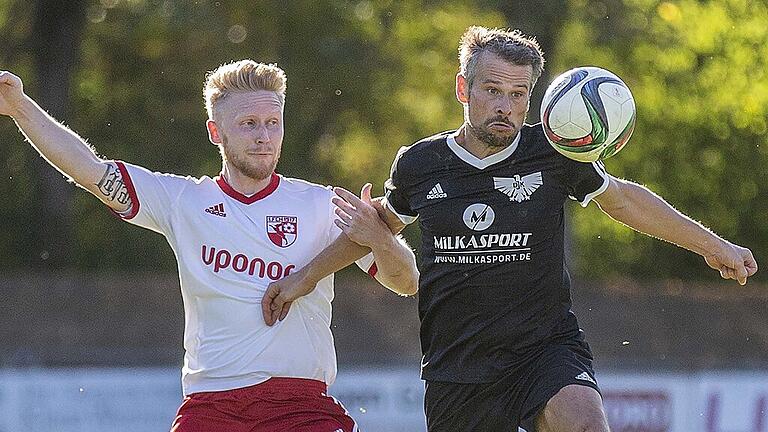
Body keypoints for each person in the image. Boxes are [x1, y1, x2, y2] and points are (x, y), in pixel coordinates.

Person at [261, 26, 758, 432]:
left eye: (518, 94)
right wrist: (301, 279)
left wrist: (714, 246)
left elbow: (624, 199)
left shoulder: (553, 151)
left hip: (543, 347)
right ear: (464, 89)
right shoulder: (421, 163)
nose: (506, 106)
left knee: (585, 423)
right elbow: (370, 231)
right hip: (459, 364)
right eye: (493, 91)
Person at [0, 60, 418, 432]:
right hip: (211, 407)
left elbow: (407, 282)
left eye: (273, 123)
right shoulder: (185, 202)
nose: (264, 137)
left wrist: (382, 238)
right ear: (215, 131)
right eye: (249, 124)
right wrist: (19, 106)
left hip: (301, 407)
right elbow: (92, 172)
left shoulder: (322, 204)